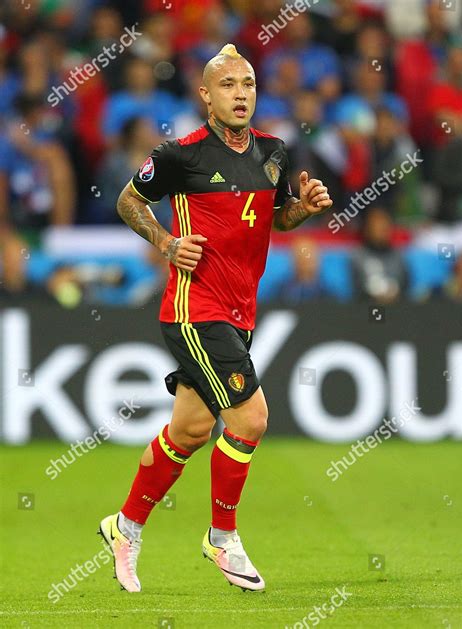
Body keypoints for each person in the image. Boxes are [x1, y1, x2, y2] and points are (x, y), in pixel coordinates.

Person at [99, 44, 333, 593]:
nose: (241, 94)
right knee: (251, 419)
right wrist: (165, 241)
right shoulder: (182, 155)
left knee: (191, 429)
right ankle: (222, 537)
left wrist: (302, 207)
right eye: (228, 85)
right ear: (205, 95)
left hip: (239, 310)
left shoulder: (273, 152)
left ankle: (124, 526)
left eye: (248, 84)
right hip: (193, 307)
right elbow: (128, 201)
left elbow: (273, 219)